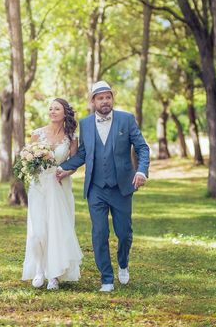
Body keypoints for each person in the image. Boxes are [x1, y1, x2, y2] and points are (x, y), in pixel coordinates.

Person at [57, 80, 150, 292]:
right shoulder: (86, 123)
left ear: (112, 99)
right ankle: (106, 278)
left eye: (108, 97)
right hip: (96, 188)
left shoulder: (126, 120)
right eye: (100, 98)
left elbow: (142, 147)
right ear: (93, 101)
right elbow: (83, 153)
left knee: (124, 233)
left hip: (121, 186)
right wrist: (63, 168)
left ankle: (123, 262)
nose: (105, 101)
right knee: (99, 233)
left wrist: (141, 170)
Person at [21, 98, 83, 291]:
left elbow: (73, 162)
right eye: (50, 109)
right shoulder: (37, 134)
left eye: (57, 108)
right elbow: (27, 161)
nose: (52, 111)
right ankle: (39, 270)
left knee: (58, 230)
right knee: (38, 231)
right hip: (40, 186)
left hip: (60, 185)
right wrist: (35, 161)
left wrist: (66, 172)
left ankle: (54, 275)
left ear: (65, 112)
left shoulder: (72, 137)